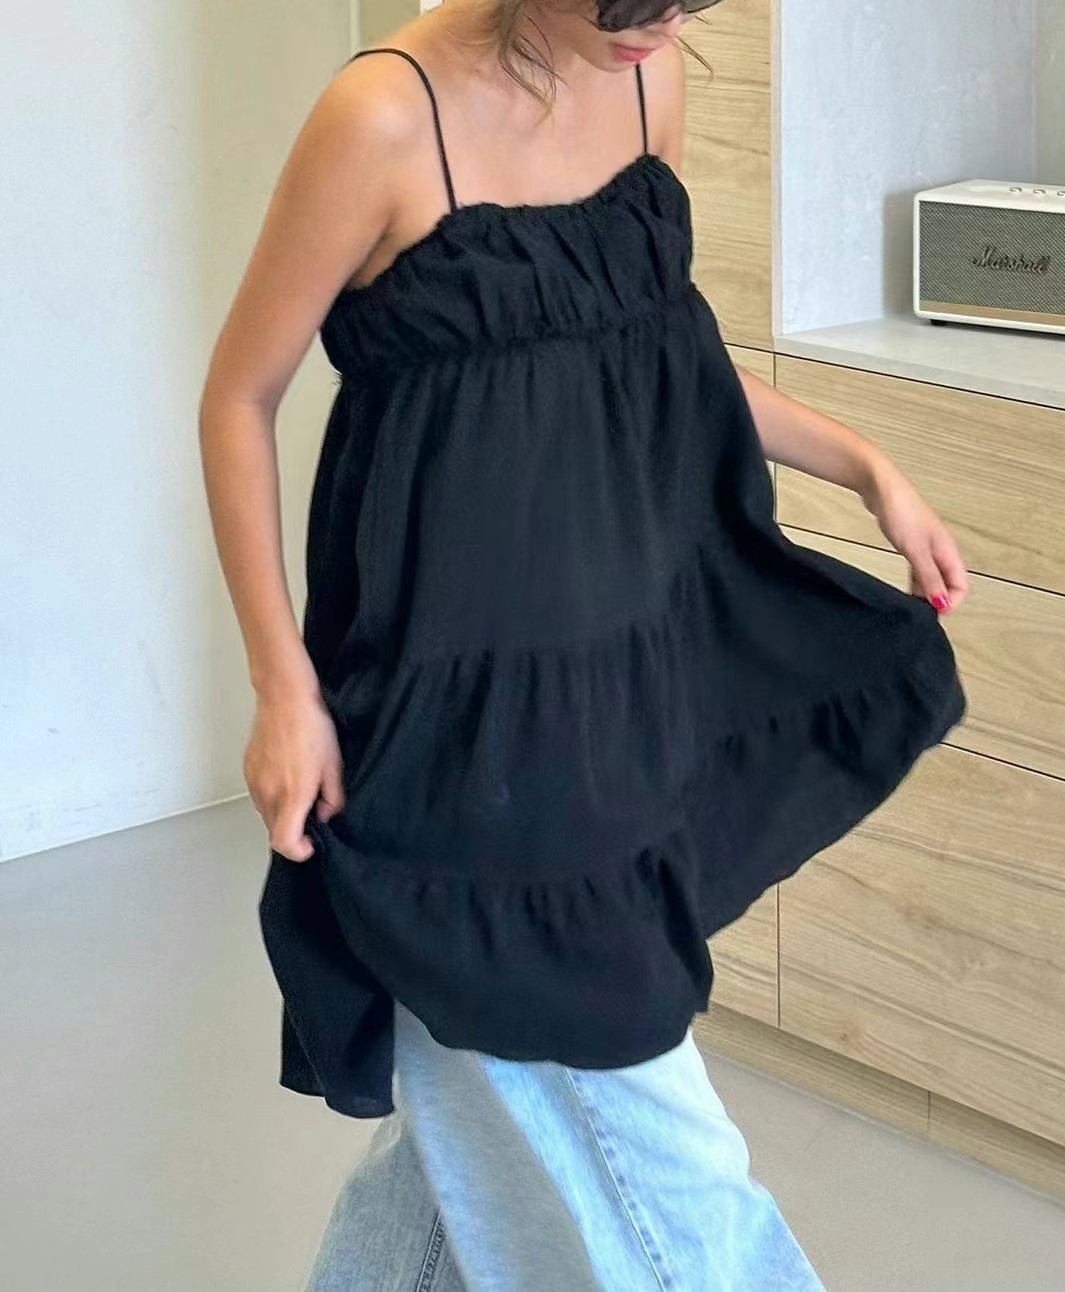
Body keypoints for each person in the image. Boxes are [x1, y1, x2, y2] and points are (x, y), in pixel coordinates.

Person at [198, 0, 969, 1285]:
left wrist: (864, 464)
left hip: (620, 681)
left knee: (472, 1124)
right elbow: (239, 395)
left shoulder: (649, 81)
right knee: (658, 1153)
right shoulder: (383, 117)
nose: (656, 24)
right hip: (456, 717)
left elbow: (660, 349)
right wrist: (283, 687)